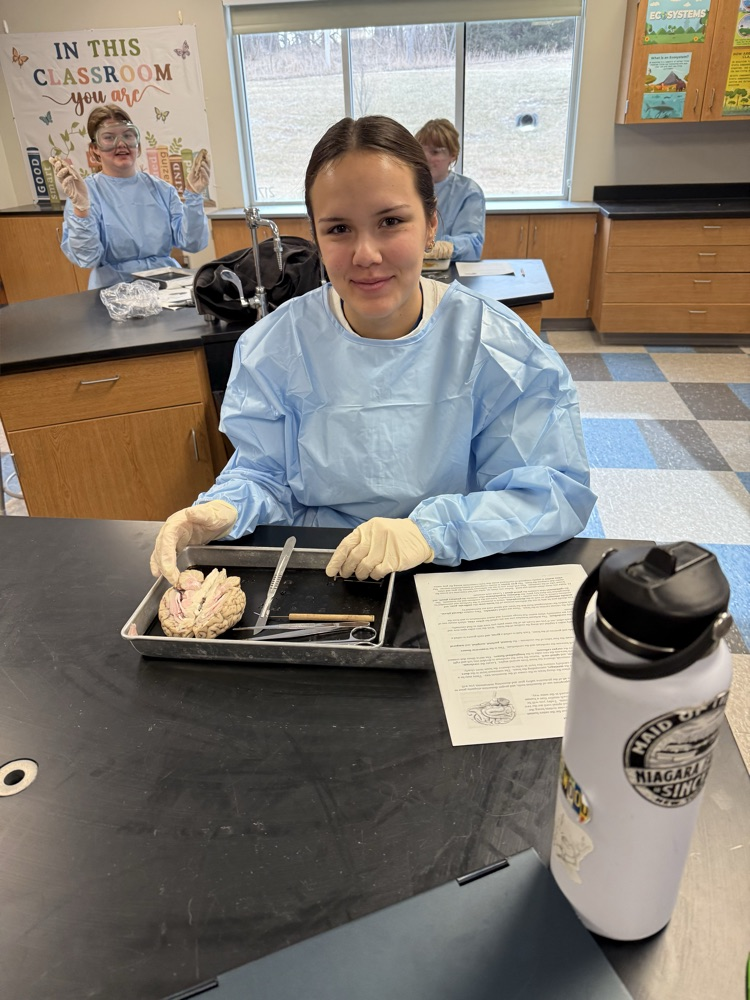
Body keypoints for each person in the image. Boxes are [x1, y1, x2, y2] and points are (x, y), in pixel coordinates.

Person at [150, 115, 595, 586]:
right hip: (323, 570)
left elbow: (551, 493)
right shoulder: (276, 346)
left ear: (431, 224)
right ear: (317, 237)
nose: (365, 254)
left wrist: (429, 532)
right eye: (339, 228)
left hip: (453, 570)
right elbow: (265, 473)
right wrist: (222, 509)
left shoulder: (497, 347)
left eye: (390, 221)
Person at [51, 104, 210, 289]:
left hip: (167, 286)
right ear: (95, 149)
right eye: (109, 138)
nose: (121, 144)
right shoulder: (85, 194)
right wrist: (81, 211)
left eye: (128, 135)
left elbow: (193, 243)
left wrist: (194, 196)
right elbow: (87, 258)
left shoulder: (162, 190)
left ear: (138, 143)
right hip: (113, 290)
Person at [415, 118, 485, 262]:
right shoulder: (406, 187)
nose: (426, 158)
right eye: (422, 151)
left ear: (452, 155)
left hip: (451, 270)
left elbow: (473, 244)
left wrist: (443, 248)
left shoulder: (468, 192)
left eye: (435, 152)